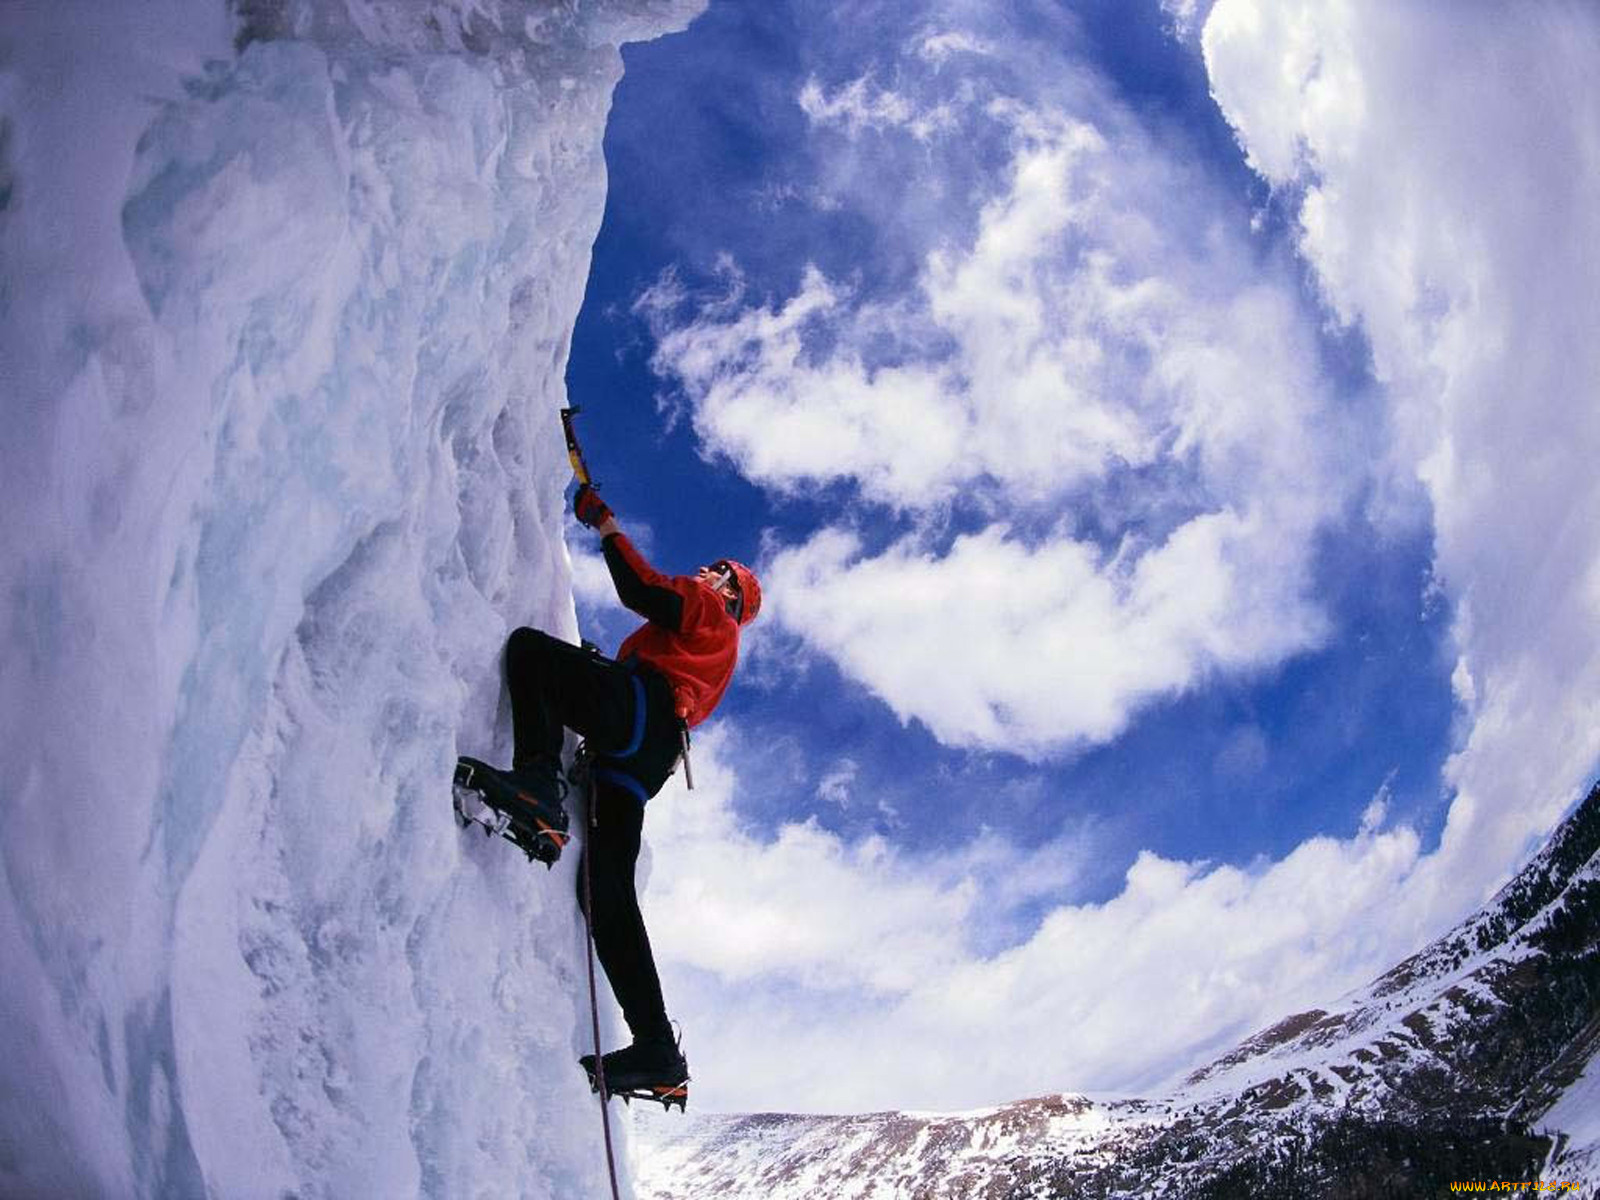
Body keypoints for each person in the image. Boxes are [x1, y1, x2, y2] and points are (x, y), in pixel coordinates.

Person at [497, 482, 760, 1105]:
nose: (707, 571)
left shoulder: (708, 609)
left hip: (638, 712)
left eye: (720, 571)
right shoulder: (720, 656)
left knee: (533, 655)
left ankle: (537, 784)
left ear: (731, 593)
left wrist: (606, 524)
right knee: (608, 896)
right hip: (648, 757)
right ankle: (656, 1050)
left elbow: (641, 589)